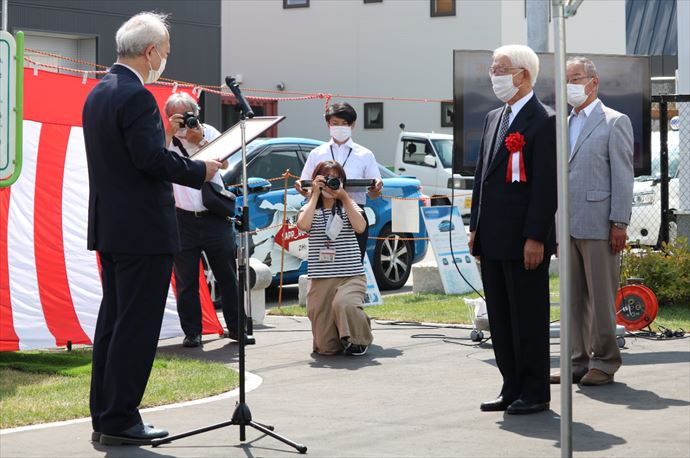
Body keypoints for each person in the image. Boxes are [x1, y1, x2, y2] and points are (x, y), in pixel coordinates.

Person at [82, 12, 222, 445]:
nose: (165, 57)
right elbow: (150, 160)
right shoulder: (138, 97)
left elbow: (132, 157)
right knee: (136, 326)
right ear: (150, 52)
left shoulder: (99, 92)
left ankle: (105, 415)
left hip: (112, 226)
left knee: (114, 321)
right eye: (165, 50)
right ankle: (122, 418)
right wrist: (200, 169)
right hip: (143, 229)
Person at [468, 44, 557, 415]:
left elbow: (546, 186)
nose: (494, 75)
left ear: (523, 75)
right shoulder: (493, 118)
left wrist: (536, 236)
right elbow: (481, 177)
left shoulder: (545, 120)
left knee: (527, 317)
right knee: (501, 319)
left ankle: (535, 391)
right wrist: (474, 226)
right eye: (492, 68)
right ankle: (511, 386)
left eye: (501, 69)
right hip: (491, 237)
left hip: (524, 240)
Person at [550, 56, 634, 386]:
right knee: (571, 299)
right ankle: (575, 361)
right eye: (566, 78)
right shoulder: (562, 123)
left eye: (576, 77)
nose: (570, 84)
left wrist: (619, 222)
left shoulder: (615, 121)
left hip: (600, 223)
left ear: (593, 82)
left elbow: (623, 176)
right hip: (567, 223)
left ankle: (606, 361)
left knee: (601, 299)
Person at [163, 92, 239, 348]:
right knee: (185, 280)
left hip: (214, 216)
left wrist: (201, 140)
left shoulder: (208, 131)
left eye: (189, 116)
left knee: (227, 275)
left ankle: (237, 328)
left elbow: (225, 163)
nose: (185, 122)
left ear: (197, 113)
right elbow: (154, 160)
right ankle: (192, 332)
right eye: (179, 117)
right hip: (181, 217)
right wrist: (168, 132)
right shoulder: (166, 139)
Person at [296, 160, 374, 356]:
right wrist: (314, 195)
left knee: (344, 304)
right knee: (326, 348)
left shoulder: (349, 204)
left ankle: (360, 335)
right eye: (326, 178)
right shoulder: (310, 207)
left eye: (335, 179)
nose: (330, 183)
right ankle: (344, 332)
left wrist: (344, 197)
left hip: (350, 275)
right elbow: (303, 225)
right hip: (322, 277)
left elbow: (360, 227)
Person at [296, 102, 383, 260]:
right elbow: (305, 185)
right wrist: (304, 189)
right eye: (335, 123)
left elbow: (374, 194)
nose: (340, 127)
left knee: (354, 264)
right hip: (321, 215)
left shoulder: (365, 154)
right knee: (323, 262)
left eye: (344, 123)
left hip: (354, 213)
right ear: (328, 124)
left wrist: (376, 187)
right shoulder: (317, 153)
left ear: (353, 125)